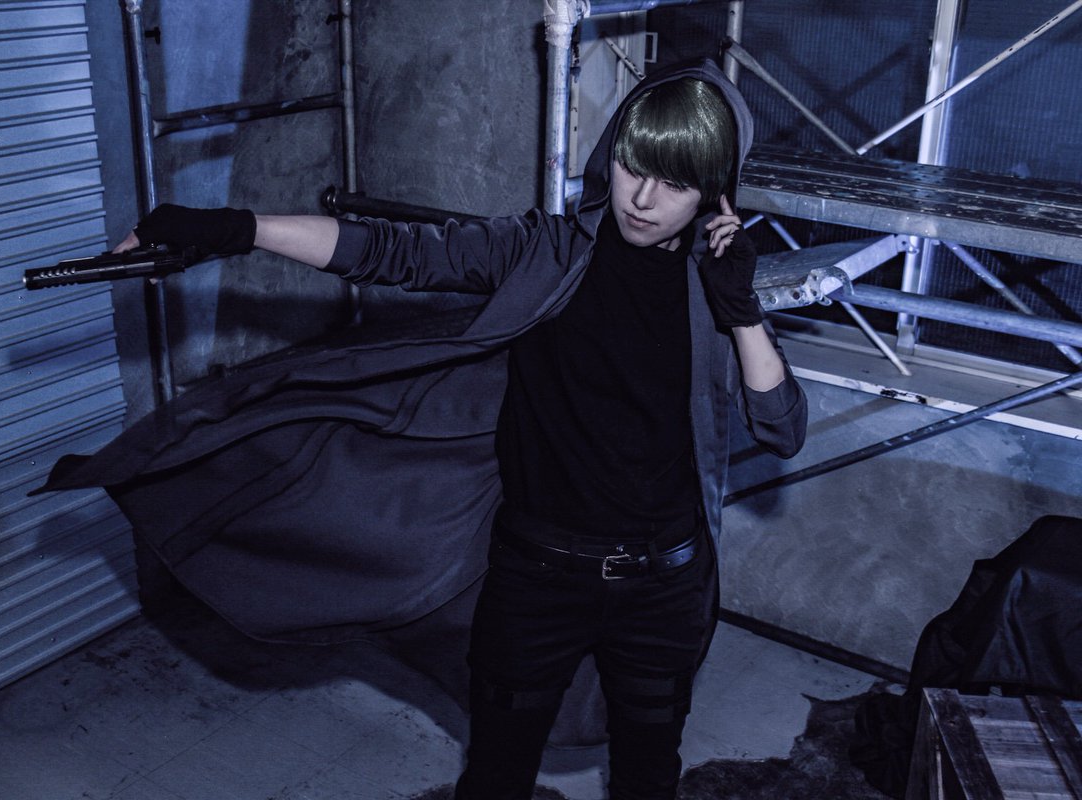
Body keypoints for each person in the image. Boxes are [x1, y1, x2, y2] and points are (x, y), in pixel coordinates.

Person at [101, 58, 806, 799]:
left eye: (675, 183)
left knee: (648, 779)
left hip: (664, 587)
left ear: (715, 193)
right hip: (536, 578)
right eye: (635, 166)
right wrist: (238, 228)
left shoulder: (712, 290)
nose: (643, 198)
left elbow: (781, 429)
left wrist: (741, 310)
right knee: (497, 775)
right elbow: (391, 251)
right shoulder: (546, 252)